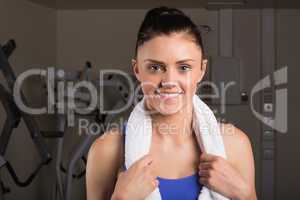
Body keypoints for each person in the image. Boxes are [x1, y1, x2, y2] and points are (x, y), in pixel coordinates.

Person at [86, 6, 257, 200]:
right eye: (155, 67)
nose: (168, 81)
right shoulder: (106, 150)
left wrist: (245, 195)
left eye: (184, 67)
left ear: (202, 70)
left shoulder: (235, 145)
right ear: (137, 69)